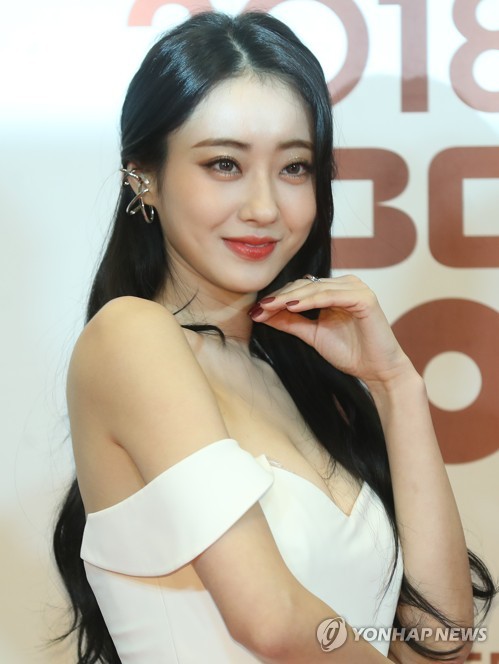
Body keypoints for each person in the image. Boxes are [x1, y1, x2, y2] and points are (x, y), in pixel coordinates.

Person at [53, 10, 496, 664]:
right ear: (143, 175)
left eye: (293, 168)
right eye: (224, 164)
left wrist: (395, 385)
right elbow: (271, 619)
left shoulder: (305, 382)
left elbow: (442, 644)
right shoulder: (131, 337)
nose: (264, 207)